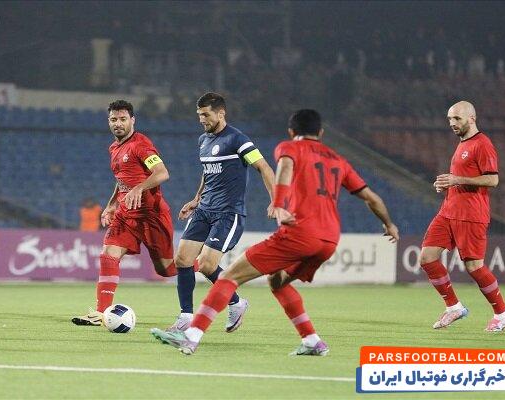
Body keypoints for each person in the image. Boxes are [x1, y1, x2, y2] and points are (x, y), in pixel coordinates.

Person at [151, 109, 399, 355]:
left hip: (299, 233)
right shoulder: (339, 160)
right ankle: (312, 341)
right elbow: (372, 198)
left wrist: (278, 203)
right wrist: (389, 224)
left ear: (291, 132)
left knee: (229, 278)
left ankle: (191, 337)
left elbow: (284, 170)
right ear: (321, 133)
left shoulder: (289, 148)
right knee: (278, 281)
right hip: (330, 240)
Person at [167, 92, 275, 333]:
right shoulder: (202, 141)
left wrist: (275, 200)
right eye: (199, 115)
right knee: (182, 259)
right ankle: (185, 316)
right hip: (204, 210)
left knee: (206, 265)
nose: (201, 119)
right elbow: (208, 172)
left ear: (221, 113)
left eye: (206, 115)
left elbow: (264, 167)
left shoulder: (238, 140)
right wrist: (196, 199)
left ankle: (236, 303)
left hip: (228, 213)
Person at [72, 100, 177, 325]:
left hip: (151, 215)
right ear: (108, 121)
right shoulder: (114, 148)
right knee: (108, 255)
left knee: (166, 270)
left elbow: (162, 173)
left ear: (132, 120)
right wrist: (112, 204)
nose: (118, 124)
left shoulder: (141, 145)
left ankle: (204, 264)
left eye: (122, 119)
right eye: (113, 119)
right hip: (126, 214)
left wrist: (139, 188)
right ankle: (100, 314)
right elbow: (121, 179)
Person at [419, 101, 505, 332]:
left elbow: (493, 179)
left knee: (474, 267)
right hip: (448, 211)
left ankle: (503, 313)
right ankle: (454, 307)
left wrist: (457, 180)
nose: (452, 123)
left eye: (457, 119)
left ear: (472, 118)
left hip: (471, 214)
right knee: (427, 258)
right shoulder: (463, 143)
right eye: (450, 119)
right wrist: (447, 184)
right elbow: (461, 178)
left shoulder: (482, 144)